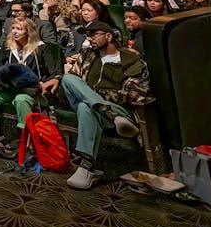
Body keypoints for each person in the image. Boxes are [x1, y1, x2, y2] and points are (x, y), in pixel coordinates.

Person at [55, 21, 152, 190]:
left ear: (108, 36)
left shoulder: (131, 59)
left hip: (119, 111)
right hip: (109, 115)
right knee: (68, 79)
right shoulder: (87, 55)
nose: (89, 39)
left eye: (93, 35)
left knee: (87, 107)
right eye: (87, 35)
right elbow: (74, 81)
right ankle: (102, 109)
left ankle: (86, 167)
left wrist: (98, 95)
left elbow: (136, 93)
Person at [0, 17, 62, 158]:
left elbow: (54, 73)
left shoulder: (40, 48)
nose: (15, 32)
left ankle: (26, 143)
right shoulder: (8, 47)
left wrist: (46, 82)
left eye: (19, 29)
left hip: (30, 93)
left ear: (29, 32)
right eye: (14, 28)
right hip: (9, 89)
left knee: (22, 100)